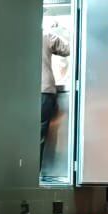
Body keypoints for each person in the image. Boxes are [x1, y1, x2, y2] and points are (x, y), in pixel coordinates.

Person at [40, 24, 70, 164]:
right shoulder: (45, 35)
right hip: (43, 90)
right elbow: (68, 49)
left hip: (19, 91)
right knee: (39, 133)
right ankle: (35, 173)